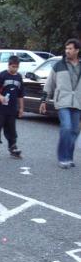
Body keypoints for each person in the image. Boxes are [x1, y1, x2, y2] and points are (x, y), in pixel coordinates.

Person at [39, 38, 81, 169]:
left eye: (70, 48)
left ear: (77, 50)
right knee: (66, 127)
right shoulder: (58, 65)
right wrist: (44, 100)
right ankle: (62, 158)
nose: (67, 51)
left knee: (74, 131)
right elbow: (49, 84)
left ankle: (69, 157)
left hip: (78, 102)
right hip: (63, 101)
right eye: (66, 48)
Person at [0, 55, 24, 157]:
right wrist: (0, 97)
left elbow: (21, 94)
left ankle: (13, 146)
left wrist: (21, 108)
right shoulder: (2, 75)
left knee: (11, 129)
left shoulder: (19, 77)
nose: (14, 69)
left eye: (16, 67)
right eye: (13, 66)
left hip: (12, 109)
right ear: (9, 65)